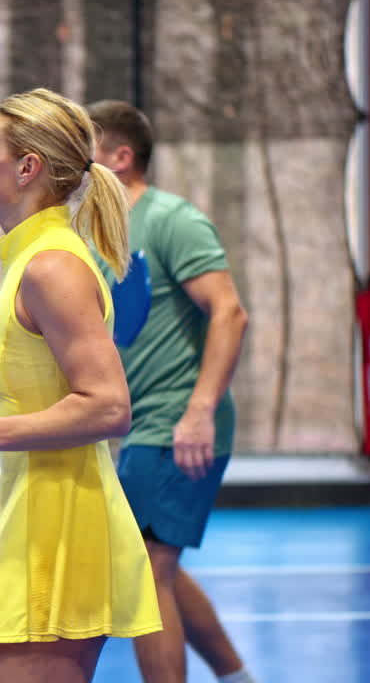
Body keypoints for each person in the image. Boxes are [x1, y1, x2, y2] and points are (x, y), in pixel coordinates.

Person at [0, 87, 162, 683]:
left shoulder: (52, 266)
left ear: (27, 168)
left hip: (66, 538)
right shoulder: (29, 260)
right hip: (35, 526)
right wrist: (3, 533)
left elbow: (108, 407)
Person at [86, 99, 255, 683]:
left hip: (178, 425)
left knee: (145, 571)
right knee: (159, 567)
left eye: (87, 151)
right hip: (143, 429)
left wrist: (199, 412)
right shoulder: (102, 234)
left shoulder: (172, 220)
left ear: (120, 156)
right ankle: (237, 677)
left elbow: (230, 314)